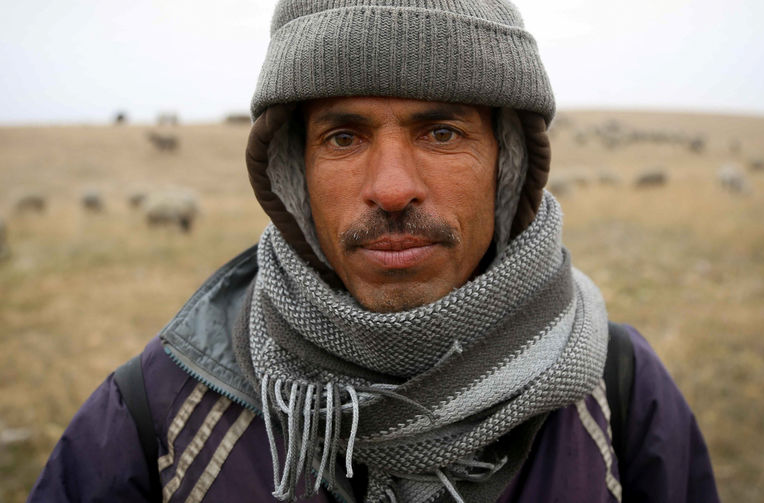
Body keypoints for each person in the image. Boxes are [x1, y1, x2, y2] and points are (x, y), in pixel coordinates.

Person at [28, 0, 719, 501]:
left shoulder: (623, 396)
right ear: (292, 178)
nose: (392, 189)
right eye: (343, 137)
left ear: (508, 168)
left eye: (443, 132)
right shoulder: (155, 416)